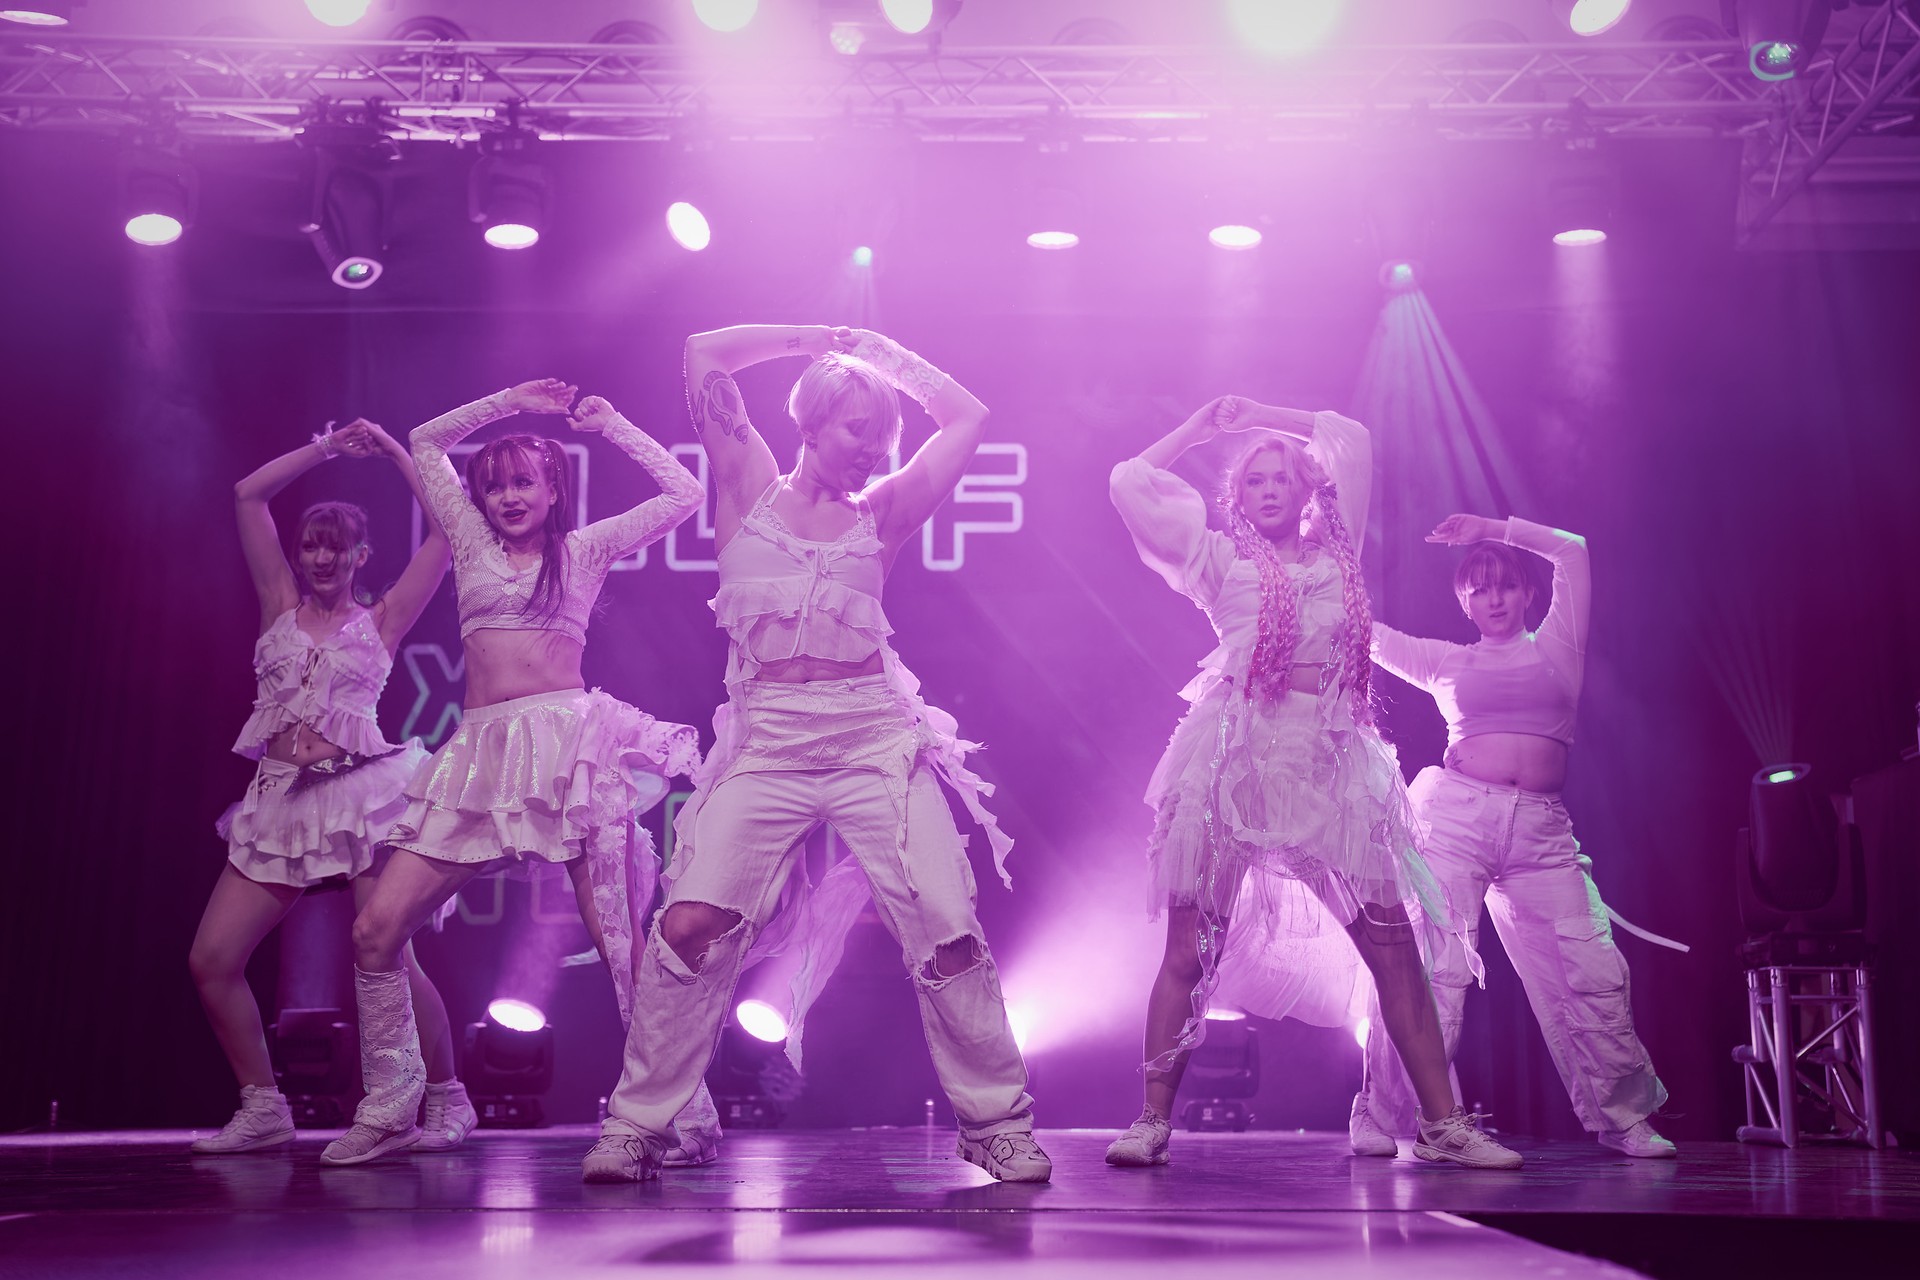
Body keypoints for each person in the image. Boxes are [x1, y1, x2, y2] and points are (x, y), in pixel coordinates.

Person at [581, 325, 1047, 1185]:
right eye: (857, 429)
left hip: (873, 739)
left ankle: (997, 1123)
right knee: (689, 926)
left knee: (947, 927)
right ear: (810, 420)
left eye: (883, 437)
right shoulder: (747, 485)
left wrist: (878, 352)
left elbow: (968, 416)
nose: (872, 450)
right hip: (769, 743)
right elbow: (703, 354)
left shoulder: (885, 513)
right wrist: (813, 339)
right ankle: (638, 1124)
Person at [1104, 396, 1521, 1170]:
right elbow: (1129, 480)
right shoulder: (1216, 562)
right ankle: (1151, 1120)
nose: (1268, 489)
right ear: (1237, 497)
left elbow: (1349, 438)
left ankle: (1443, 1125)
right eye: (1254, 480)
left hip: (1328, 759)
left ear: (1306, 491)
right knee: (1190, 951)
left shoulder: (1338, 556)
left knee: (1393, 949)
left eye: (1282, 478)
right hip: (1235, 756)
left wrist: (1261, 414)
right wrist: (1202, 427)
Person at [323, 380, 706, 1166]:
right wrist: (511, 401)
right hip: (479, 758)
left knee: (621, 946)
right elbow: (425, 439)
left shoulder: (582, 551)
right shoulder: (470, 545)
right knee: (373, 930)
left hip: (571, 751)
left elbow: (685, 492)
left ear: (553, 487)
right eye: (495, 486)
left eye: (524, 481)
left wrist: (612, 423)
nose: (508, 497)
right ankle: (392, 1105)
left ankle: (676, 1114)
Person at [1351, 513, 1674, 1158]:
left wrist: (1489, 529)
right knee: (1434, 969)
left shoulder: (1559, 645)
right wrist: (1324, 558)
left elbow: (1573, 549)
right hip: (1456, 819)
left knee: (1589, 969)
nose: (1493, 599)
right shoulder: (1447, 661)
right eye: (1478, 589)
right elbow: (1366, 635)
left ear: (1528, 593)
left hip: (1542, 832)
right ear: (1463, 602)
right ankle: (1381, 1116)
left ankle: (1623, 1119)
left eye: (1504, 586)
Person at [190, 419, 467, 1154]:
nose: (321, 558)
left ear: (359, 556)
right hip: (279, 798)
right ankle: (262, 1106)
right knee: (212, 961)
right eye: (311, 545)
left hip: (359, 792)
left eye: (336, 547)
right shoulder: (277, 604)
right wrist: (326, 447)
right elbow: (248, 495)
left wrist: (398, 452)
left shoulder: (382, 620)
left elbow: (446, 534)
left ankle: (447, 1096)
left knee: (391, 953)